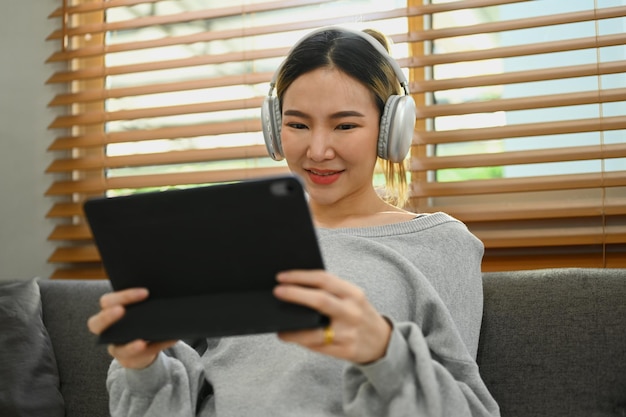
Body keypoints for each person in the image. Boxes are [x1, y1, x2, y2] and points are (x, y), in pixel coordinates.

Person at [88, 26, 500, 416]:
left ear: (390, 130)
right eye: (298, 124)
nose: (317, 150)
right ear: (274, 127)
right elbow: (179, 390)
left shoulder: (440, 244)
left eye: (345, 125)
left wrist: (384, 352)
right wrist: (142, 369)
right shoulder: (234, 239)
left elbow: (466, 409)